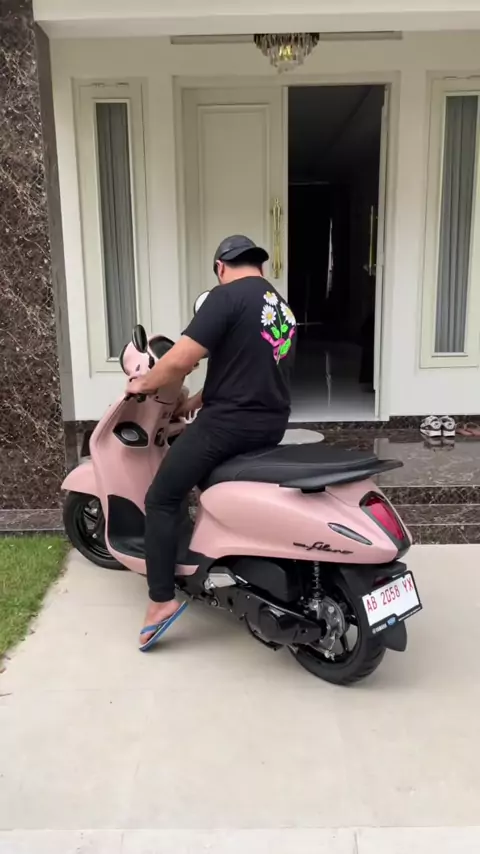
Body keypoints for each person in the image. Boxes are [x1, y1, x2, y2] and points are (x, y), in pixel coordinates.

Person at [127, 235, 297, 650]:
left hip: (228, 425)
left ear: (220, 266)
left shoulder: (225, 298)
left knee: (162, 497)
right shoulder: (280, 307)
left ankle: (161, 602)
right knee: (208, 481)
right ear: (259, 265)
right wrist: (192, 403)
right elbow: (245, 369)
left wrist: (143, 384)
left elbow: (182, 358)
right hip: (270, 423)